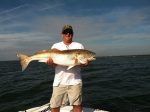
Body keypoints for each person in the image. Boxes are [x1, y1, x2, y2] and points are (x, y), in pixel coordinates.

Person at [47, 24, 88, 112]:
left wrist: (85, 63)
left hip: (75, 81)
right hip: (59, 81)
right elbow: (54, 65)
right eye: (66, 32)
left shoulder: (79, 46)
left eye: (70, 32)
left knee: (77, 105)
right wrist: (50, 63)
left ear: (72, 34)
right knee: (54, 106)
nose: (68, 34)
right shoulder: (55, 46)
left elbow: (83, 64)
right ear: (62, 34)